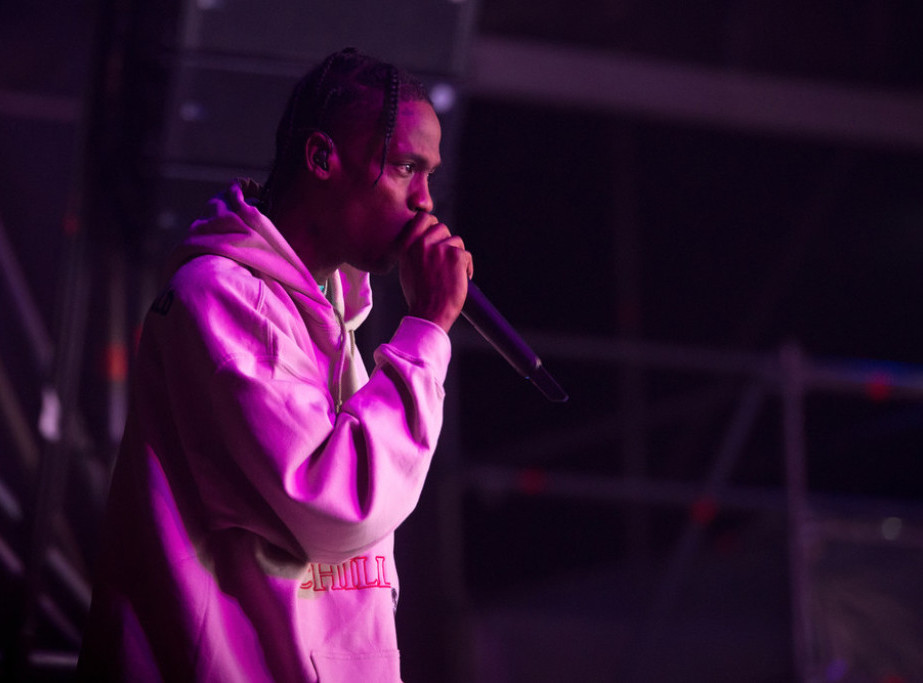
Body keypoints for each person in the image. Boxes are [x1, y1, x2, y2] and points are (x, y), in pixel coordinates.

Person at [77, 47, 472, 682]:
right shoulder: (221, 295)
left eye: (430, 175)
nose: (426, 203)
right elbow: (339, 505)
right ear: (321, 158)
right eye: (405, 167)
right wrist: (425, 332)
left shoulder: (331, 315)